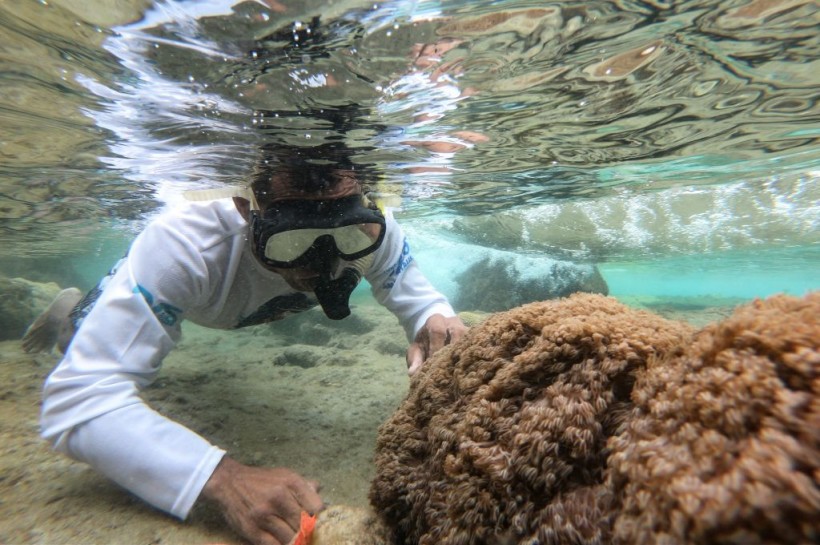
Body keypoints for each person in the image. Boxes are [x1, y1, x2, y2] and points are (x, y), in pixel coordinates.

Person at [23, 142, 467, 545]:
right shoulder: (184, 247)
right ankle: (69, 312)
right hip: (195, 302)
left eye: (346, 234)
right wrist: (222, 479)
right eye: (293, 240)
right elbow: (77, 400)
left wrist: (434, 322)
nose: (324, 264)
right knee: (74, 342)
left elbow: (422, 302)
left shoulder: (377, 232)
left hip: (234, 307)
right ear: (244, 207)